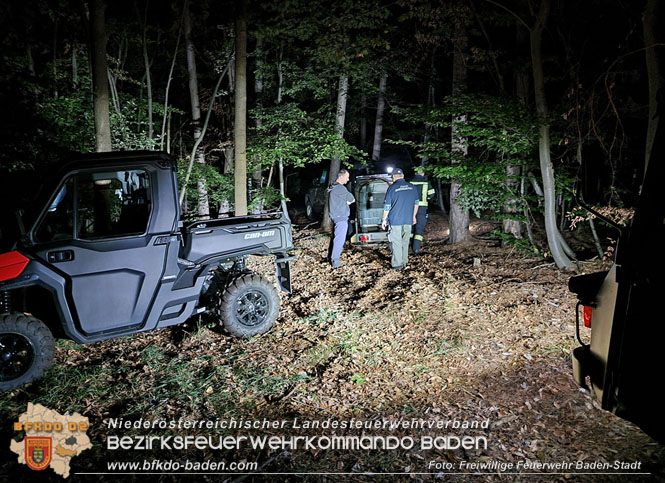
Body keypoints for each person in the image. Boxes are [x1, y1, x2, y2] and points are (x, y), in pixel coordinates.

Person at [381, 168, 419, 270]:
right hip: (408, 219)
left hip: (395, 220)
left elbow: (387, 206)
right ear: (402, 176)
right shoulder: (412, 187)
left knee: (396, 241)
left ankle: (398, 264)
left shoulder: (392, 188)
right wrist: (413, 216)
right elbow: (416, 203)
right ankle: (405, 260)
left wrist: (384, 220)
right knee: (405, 241)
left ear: (393, 177)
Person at [327, 169, 355, 268]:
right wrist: (347, 202)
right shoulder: (340, 188)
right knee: (339, 239)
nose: (348, 180)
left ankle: (332, 258)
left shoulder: (333, 187)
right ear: (341, 177)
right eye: (347, 177)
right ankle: (335, 261)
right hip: (341, 217)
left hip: (336, 216)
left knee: (337, 238)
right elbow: (352, 199)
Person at [410, 166, 436, 253]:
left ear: (415, 173)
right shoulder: (426, 183)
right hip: (422, 209)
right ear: (423, 173)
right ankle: (416, 248)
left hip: (411, 209)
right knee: (419, 228)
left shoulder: (410, 183)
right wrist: (426, 198)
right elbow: (431, 194)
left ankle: (409, 246)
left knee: (411, 228)